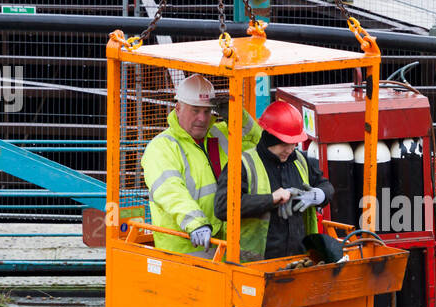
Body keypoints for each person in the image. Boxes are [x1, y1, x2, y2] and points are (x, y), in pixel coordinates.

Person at [141, 73, 260, 256]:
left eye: (207, 111)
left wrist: (239, 117)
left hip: (225, 245)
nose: (202, 118)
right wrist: (196, 223)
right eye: (195, 110)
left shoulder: (221, 134)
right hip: (185, 249)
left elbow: (261, 146)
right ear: (178, 108)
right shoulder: (161, 147)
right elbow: (171, 191)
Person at [214, 100, 334, 262]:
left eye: (293, 144)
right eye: (284, 144)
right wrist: (270, 199)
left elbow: (326, 186)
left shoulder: (300, 161)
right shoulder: (242, 165)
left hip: (299, 260)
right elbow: (223, 208)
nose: (290, 150)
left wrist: (317, 195)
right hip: (254, 266)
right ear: (270, 137)